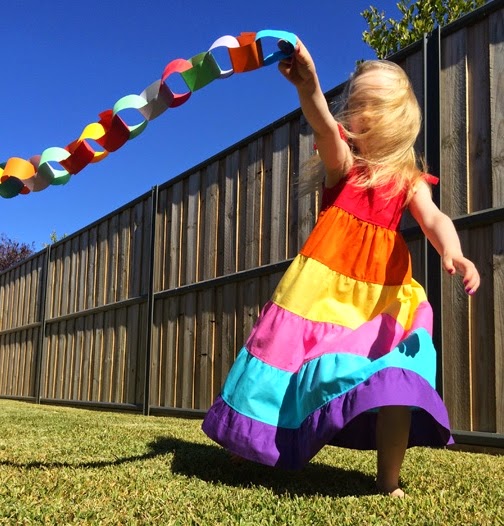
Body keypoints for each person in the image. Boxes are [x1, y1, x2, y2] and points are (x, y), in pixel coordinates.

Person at [202, 39, 480, 497]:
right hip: (322, 292)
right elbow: (325, 125)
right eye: (353, 104)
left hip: (381, 299)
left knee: (395, 378)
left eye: (363, 105)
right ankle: (249, 443)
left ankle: (388, 480)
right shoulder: (344, 166)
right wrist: (308, 85)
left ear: (390, 120)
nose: (353, 112)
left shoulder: (408, 180)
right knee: (284, 366)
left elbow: (434, 217)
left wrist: (452, 250)